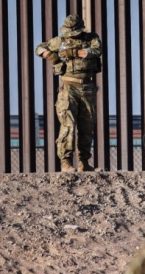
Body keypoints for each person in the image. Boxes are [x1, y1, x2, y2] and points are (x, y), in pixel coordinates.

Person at [35, 15, 102, 173]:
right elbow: (39, 48)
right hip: (68, 88)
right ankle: (66, 162)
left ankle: (84, 162)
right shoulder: (60, 40)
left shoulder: (91, 38)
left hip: (87, 87)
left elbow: (97, 50)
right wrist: (49, 54)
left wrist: (79, 52)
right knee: (68, 125)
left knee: (87, 126)